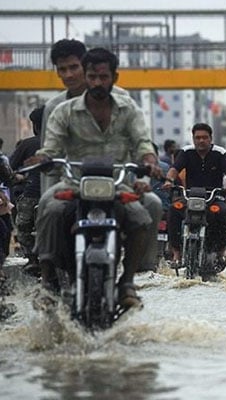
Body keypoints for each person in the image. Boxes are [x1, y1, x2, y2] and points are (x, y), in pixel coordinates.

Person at [28, 47, 162, 309]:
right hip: (74, 183)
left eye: (103, 77)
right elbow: (51, 146)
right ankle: (47, 283)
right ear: (86, 77)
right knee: (48, 206)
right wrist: (43, 158)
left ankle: (128, 281)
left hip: (118, 183)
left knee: (148, 210)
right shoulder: (63, 110)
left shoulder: (128, 108)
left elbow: (143, 144)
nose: (97, 83)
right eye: (92, 77)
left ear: (114, 76)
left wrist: (149, 161)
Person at [40, 39, 131, 194]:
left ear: (86, 66)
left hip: (117, 184)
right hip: (72, 186)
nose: (69, 75)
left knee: (147, 209)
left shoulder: (121, 98)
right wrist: (47, 196)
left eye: (74, 67)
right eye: (62, 69)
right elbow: (50, 159)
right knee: (48, 211)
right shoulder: (53, 108)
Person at [162, 123, 226, 269]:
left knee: (223, 212)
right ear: (193, 138)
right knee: (174, 210)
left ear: (210, 138)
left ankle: (221, 252)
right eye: (197, 138)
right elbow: (174, 169)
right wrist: (168, 181)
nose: (201, 141)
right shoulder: (186, 152)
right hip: (190, 195)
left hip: (214, 196)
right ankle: (177, 253)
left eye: (204, 137)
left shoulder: (220, 153)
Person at [9, 106, 43, 275]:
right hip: (61, 193)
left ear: (35, 126)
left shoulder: (28, 144)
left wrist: (14, 178)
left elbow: (10, 167)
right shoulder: (67, 143)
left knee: (23, 228)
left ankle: (32, 259)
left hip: (33, 194)